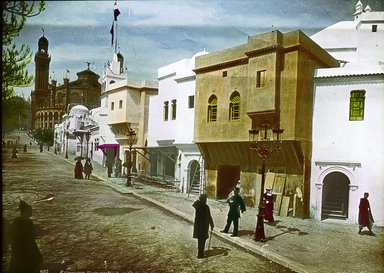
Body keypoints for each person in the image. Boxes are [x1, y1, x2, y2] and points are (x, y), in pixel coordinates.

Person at [9, 200, 43, 273]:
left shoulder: (29, 222)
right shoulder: (17, 221)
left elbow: (31, 234)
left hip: (29, 246)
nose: (31, 212)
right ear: (24, 211)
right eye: (30, 210)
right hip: (21, 247)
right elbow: (14, 236)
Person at [192, 194, 214, 259]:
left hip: (198, 226)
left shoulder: (197, 205)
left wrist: (199, 199)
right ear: (204, 200)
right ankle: (200, 255)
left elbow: (194, 204)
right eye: (205, 199)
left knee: (200, 240)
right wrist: (212, 224)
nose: (206, 200)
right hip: (204, 226)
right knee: (203, 240)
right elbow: (209, 216)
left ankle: (200, 253)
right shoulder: (206, 207)